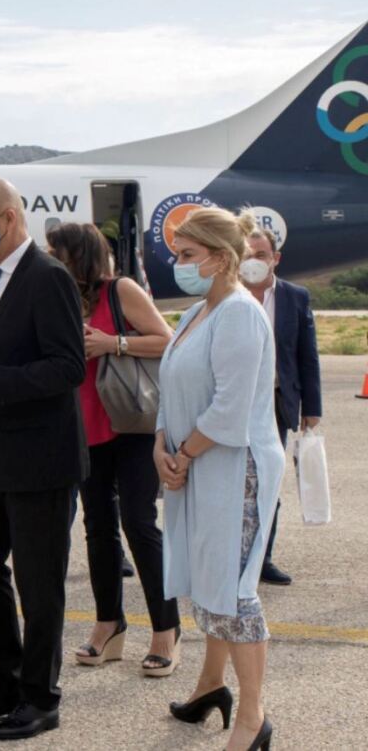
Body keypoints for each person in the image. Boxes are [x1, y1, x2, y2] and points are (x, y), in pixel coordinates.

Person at [0, 178, 87, 741]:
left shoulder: (48, 279)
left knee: (38, 581)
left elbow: (67, 367)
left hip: (40, 463)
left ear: (8, 219)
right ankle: (2, 677)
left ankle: (40, 696)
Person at [155, 207, 284, 751]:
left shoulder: (239, 314)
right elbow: (172, 387)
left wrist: (181, 455)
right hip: (193, 461)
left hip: (236, 467)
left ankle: (253, 719)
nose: (176, 264)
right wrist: (161, 447)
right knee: (206, 576)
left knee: (232, 588)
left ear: (222, 257)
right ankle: (211, 686)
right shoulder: (193, 315)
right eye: (176, 254)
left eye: (187, 255)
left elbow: (230, 406)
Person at [46, 222, 180, 676]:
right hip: (84, 428)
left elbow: (167, 340)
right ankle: (109, 624)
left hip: (131, 423)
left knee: (139, 523)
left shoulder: (119, 290)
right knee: (98, 527)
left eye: (56, 252)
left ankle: (167, 628)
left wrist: (112, 343)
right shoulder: (60, 298)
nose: (50, 260)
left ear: (78, 255)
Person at [241, 228, 322, 586]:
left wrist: (312, 408)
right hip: (234, 405)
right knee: (232, 483)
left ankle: (262, 558)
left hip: (275, 404)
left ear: (275, 258)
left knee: (268, 484)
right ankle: (231, 556)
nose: (254, 262)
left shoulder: (295, 297)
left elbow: (307, 356)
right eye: (247, 255)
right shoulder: (229, 296)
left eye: (261, 255)